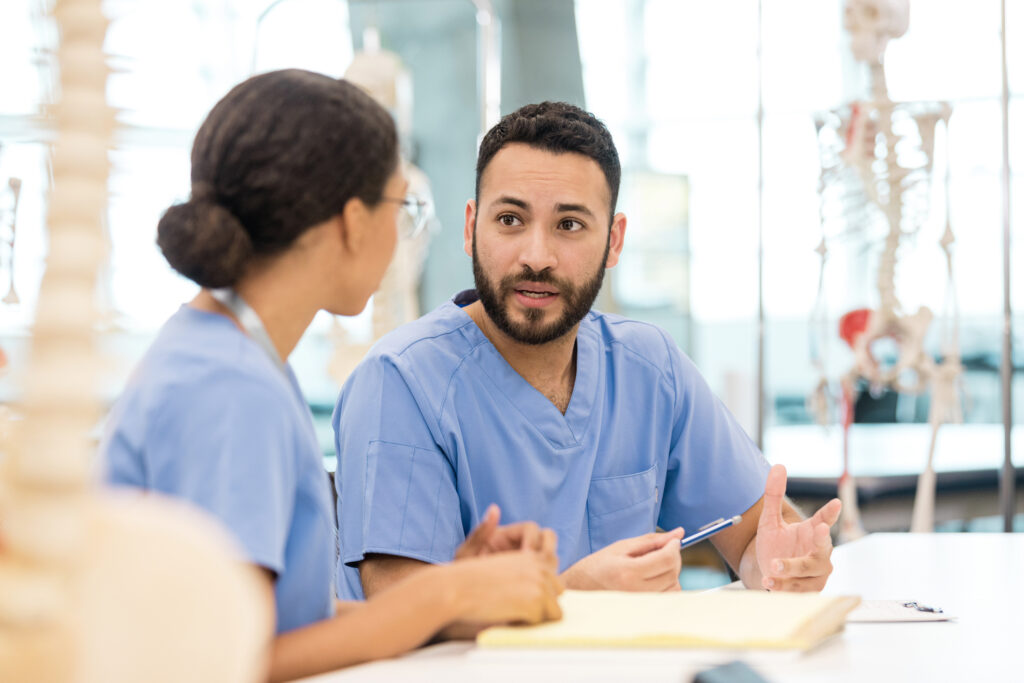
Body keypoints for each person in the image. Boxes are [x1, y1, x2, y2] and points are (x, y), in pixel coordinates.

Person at [101, 70, 562, 682]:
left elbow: (290, 625)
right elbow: (230, 661)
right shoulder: (228, 388)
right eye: (401, 208)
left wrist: (456, 592)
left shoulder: (232, 355)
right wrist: (443, 598)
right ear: (351, 222)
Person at [333, 102, 842, 612]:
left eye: (570, 225)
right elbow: (397, 614)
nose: (536, 256)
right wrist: (571, 596)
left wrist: (777, 564)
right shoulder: (400, 382)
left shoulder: (648, 368)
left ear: (614, 241)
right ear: (471, 227)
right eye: (510, 219)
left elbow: (755, 536)